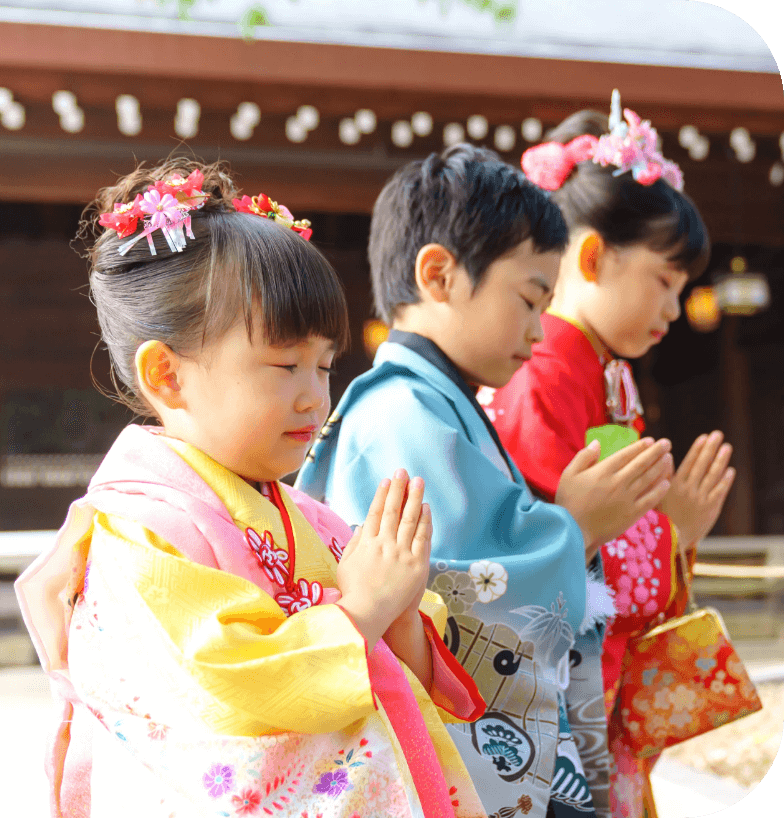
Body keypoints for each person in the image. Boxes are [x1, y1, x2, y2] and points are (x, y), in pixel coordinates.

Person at [14, 158, 490, 818]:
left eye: (323, 366)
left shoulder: (310, 520)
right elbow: (226, 693)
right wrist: (362, 612)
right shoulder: (141, 533)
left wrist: (399, 604)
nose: (313, 397)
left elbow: (396, 676)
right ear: (169, 376)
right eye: (283, 364)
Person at [296, 143, 675, 818]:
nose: (537, 332)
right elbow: (458, 600)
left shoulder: (430, 405)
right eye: (530, 300)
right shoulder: (404, 416)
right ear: (439, 275)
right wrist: (577, 525)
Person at [482, 92, 736, 818]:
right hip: (555, 686)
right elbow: (539, 536)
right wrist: (672, 530)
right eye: (663, 281)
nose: (673, 309)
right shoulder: (543, 372)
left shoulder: (598, 365)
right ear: (592, 256)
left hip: (595, 673)